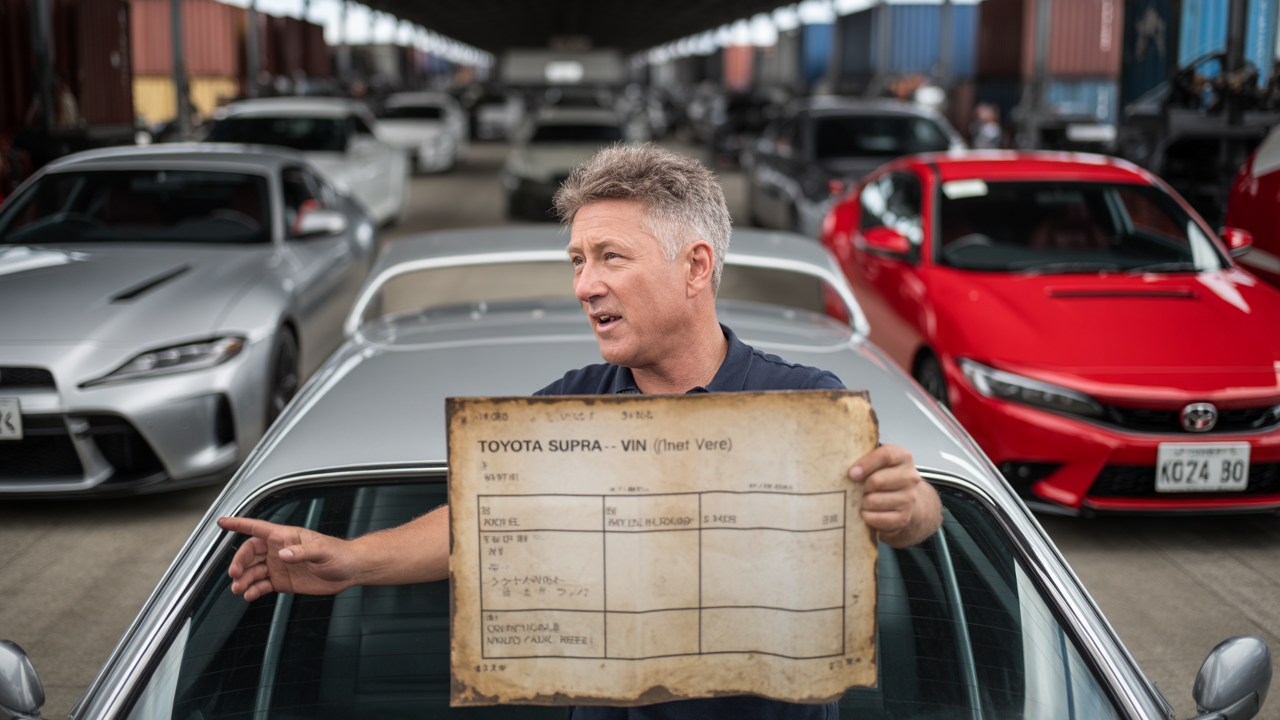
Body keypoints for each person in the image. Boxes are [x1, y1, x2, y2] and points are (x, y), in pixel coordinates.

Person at [219, 143, 943, 719]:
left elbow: (912, 514)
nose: (584, 285)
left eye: (610, 258)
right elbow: (484, 524)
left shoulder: (806, 406)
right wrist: (352, 562)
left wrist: (910, 506)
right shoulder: (567, 412)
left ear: (696, 267)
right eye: (577, 260)